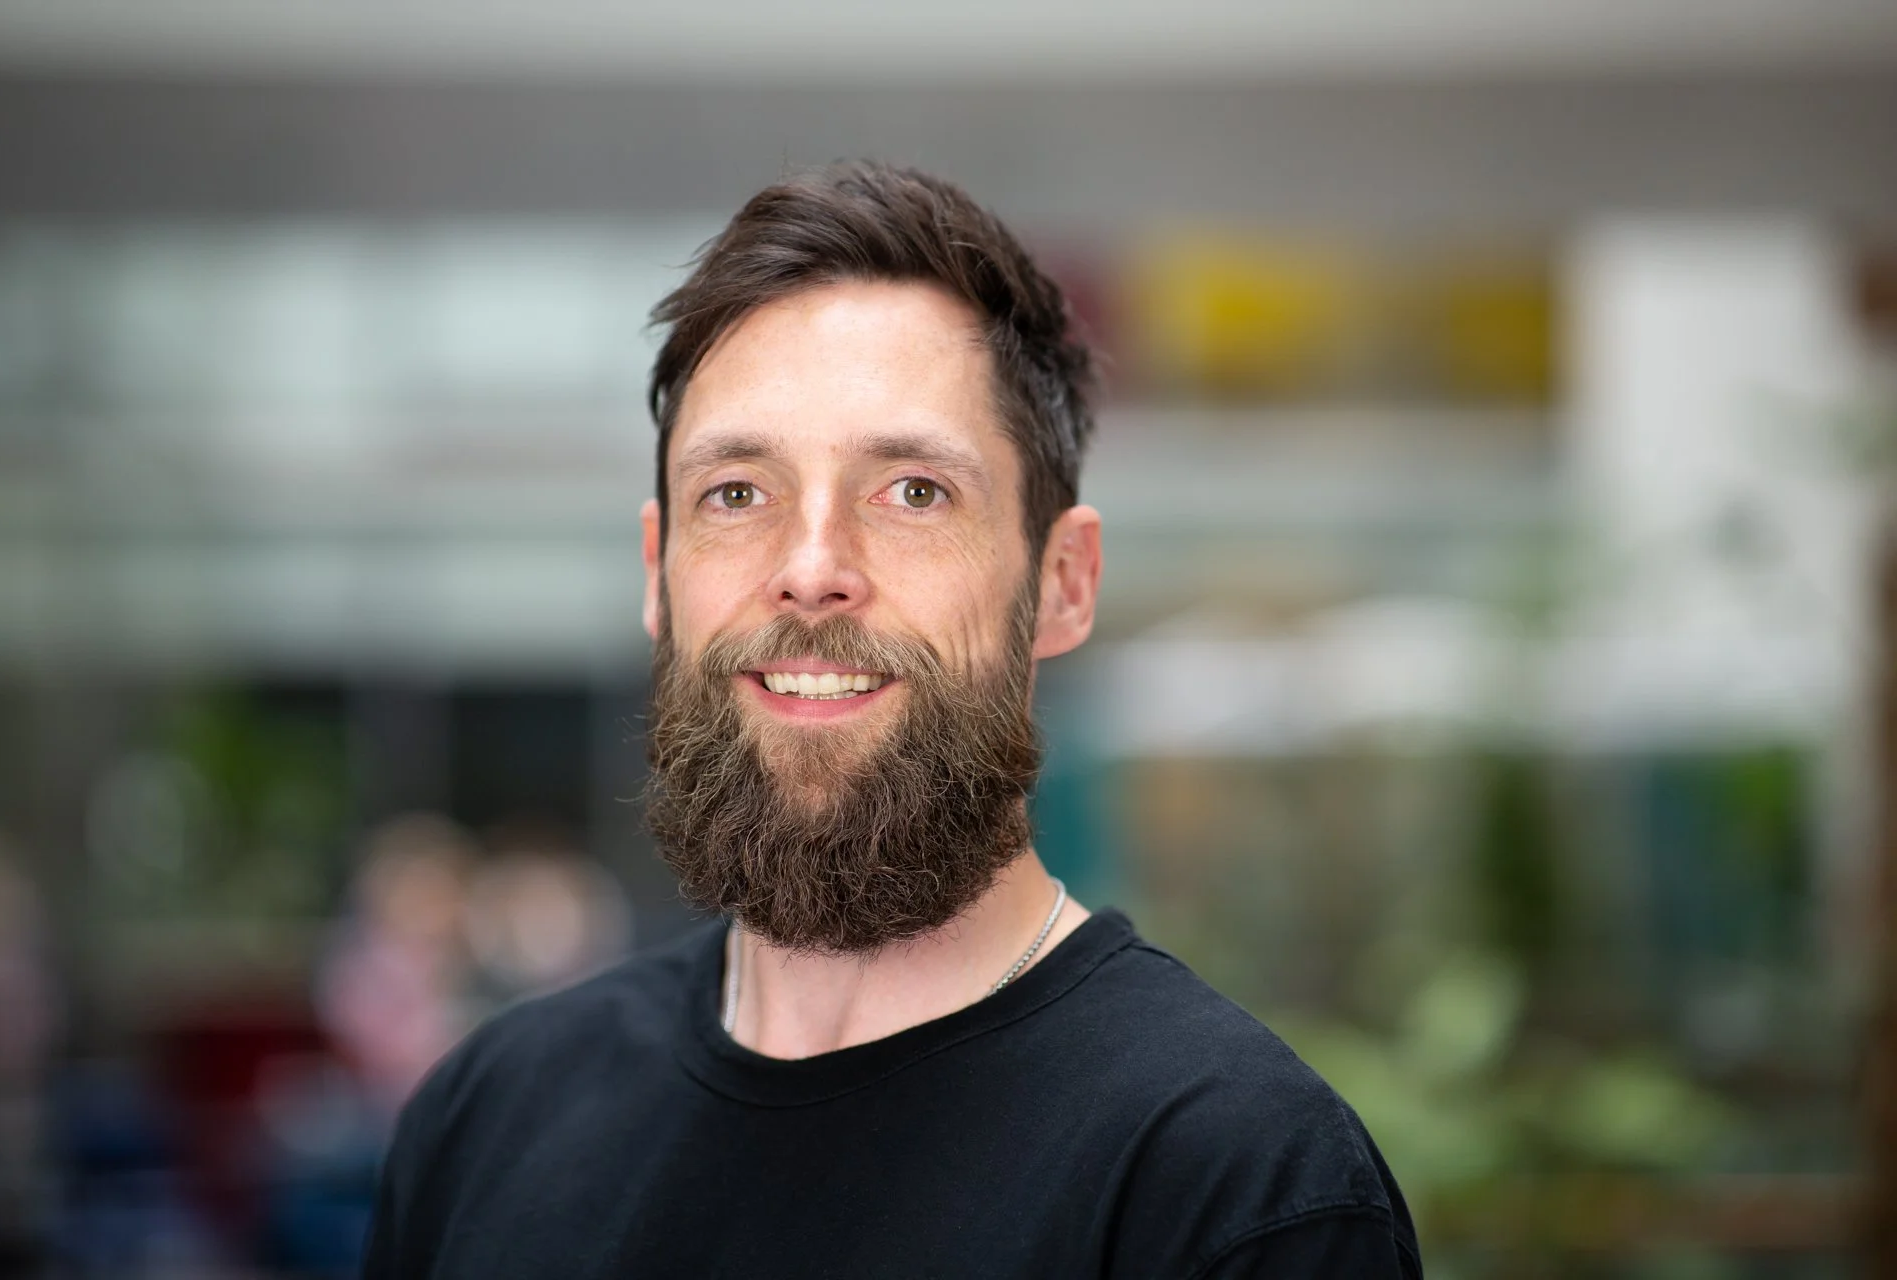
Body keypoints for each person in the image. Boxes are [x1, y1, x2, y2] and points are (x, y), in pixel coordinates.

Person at [361, 161, 1422, 1278]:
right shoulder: (486, 1121)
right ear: (657, 572)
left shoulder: (1235, 1182)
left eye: (914, 491)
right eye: (737, 492)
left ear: (1063, 582)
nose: (811, 569)